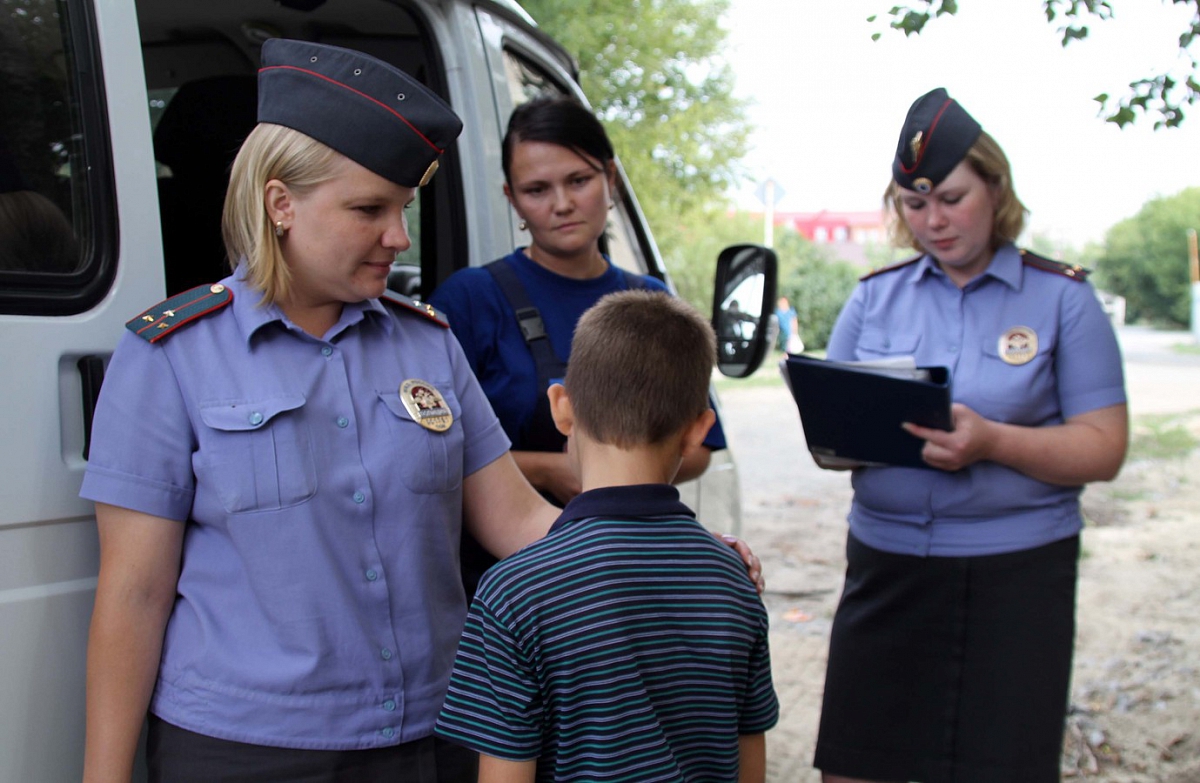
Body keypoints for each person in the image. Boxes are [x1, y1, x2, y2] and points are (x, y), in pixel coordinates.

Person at [80, 41, 761, 783]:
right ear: (281, 204)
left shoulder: (427, 344)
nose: (399, 237)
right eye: (368, 209)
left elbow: (521, 523)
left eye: (401, 208)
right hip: (246, 751)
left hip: (433, 738)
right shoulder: (170, 356)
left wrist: (668, 550)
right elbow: (135, 594)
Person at [812, 87, 1128, 783]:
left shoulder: (1063, 299)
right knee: (858, 766)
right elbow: (832, 435)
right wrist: (839, 433)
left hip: (1017, 579)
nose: (934, 221)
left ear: (996, 188)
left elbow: (1104, 447)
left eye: (952, 199)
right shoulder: (873, 297)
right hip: (887, 570)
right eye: (914, 204)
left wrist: (993, 442)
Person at [435, 290, 779, 781]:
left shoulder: (513, 592)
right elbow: (751, 767)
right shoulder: (733, 577)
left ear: (562, 408)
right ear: (698, 430)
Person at [428, 95, 728, 596]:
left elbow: (699, 450)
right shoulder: (468, 300)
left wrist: (609, 476)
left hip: (625, 580)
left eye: (578, 181)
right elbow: (429, 453)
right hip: (495, 583)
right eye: (537, 189)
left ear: (610, 178)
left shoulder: (652, 301)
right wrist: (549, 470)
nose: (562, 204)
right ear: (511, 198)